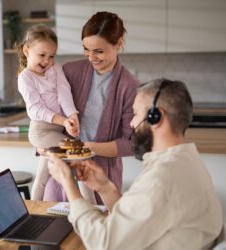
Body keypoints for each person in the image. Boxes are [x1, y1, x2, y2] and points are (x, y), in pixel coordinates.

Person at [48, 78, 223, 250]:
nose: (132, 123)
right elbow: (139, 220)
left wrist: (68, 182)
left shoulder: (161, 179)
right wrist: (106, 188)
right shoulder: (187, 162)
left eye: (136, 113)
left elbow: (102, 243)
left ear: (155, 117)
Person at [43, 11, 139, 204]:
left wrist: (87, 149)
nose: (91, 57)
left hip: (101, 179)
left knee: (94, 231)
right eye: (86, 49)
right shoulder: (69, 71)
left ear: (119, 43)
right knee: (52, 228)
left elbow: (132, 143)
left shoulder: (129, 86)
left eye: (99, 51)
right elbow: (46, 108)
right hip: (62, 172)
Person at [17, 25, 82, 200]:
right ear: (26, 50)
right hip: (41, 131)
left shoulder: (54, 69)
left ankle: (33, 212)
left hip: (57, 128)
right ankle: (91, 208)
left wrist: (72, 116)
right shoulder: (25, 78)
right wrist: (63, 121)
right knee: (80, 156)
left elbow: (64, 92)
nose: (47, 61)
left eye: (51, 56)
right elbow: (35, 109)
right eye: (42, 55)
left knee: (42, 178)